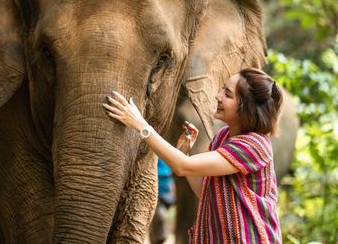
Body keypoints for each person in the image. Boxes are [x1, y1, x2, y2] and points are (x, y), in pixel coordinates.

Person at [102, 68, 283, 243]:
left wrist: (139, 124)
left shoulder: (254, 146)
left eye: (227, 94)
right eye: (222, 89)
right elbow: (206, 192)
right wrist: (184, 152)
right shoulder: (223, 137)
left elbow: (182, 166)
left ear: (245, 107)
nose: (218, 96)